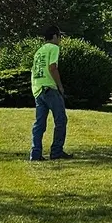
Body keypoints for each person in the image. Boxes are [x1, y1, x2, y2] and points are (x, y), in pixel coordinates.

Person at [30, 30, 68, 162]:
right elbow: (52, 68)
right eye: (59, 37)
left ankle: (35, 153)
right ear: (54, 36)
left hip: (38, 89)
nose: (60, 40)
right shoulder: (54, 48)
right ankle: (56, 151)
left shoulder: (39, 51)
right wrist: (60, 86)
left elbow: (35, 69)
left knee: (39, 123)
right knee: (60, 120)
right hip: (50, 89)